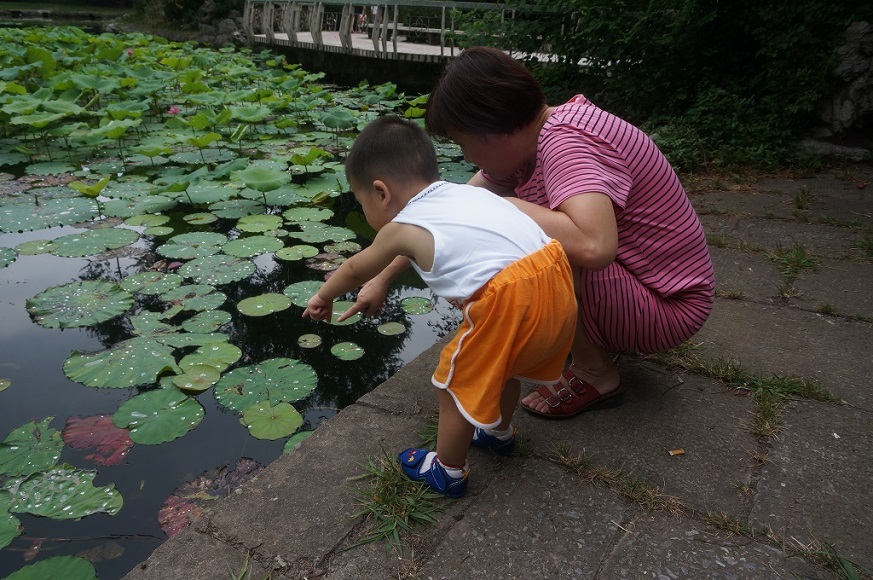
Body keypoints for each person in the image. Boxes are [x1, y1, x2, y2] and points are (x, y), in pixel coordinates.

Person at [352, 46, 715, 419]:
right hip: (643, 288)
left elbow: (594, 245)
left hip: (669, 306)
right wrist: (383, 275)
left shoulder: (566, 141)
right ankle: (589, 341)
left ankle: (596, 371)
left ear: (490, 131)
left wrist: (504, 206)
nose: (469, 159)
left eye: (464, 145)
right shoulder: (535, 140)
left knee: (526, 252)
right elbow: (446, 212)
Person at [302, 116, 577, 497]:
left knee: (452, 385)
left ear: (381, 193)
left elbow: (353, 268)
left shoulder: (400, 227)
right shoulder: (471, 193)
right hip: (557, 280)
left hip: (509, 300)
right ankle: (498, 432)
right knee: (505, 368)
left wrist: (323, 296)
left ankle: (447, 470)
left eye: (360, 201)